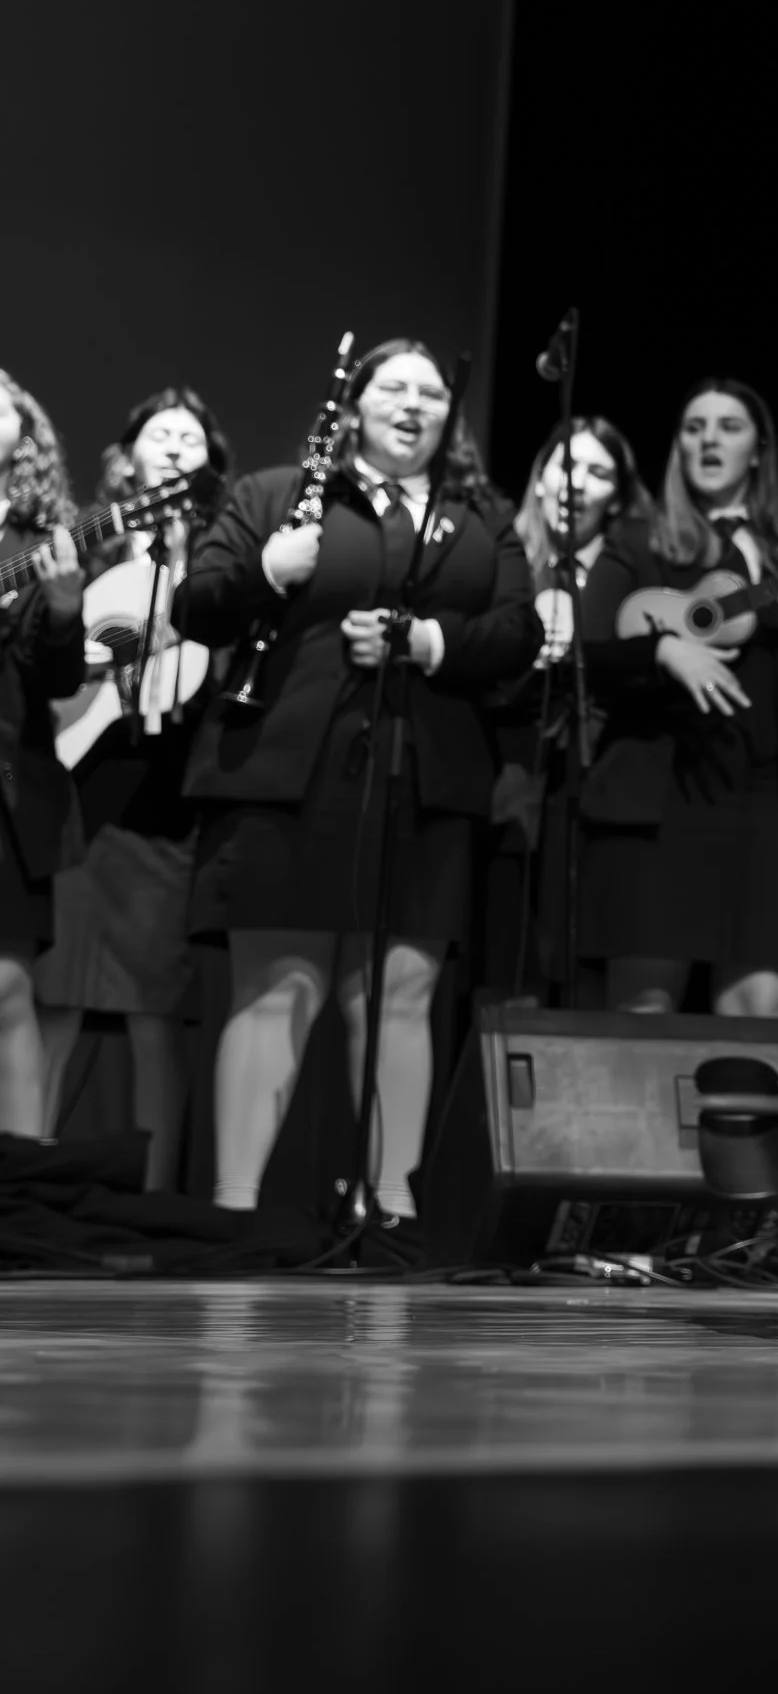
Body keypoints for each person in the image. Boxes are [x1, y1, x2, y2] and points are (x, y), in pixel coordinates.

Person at [180, 337, 533, 1245]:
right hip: (285, 773)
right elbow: (197, 603)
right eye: (393, 388)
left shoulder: (479, 518)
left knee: (399, 996)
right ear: (353, 406)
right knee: (279, 987)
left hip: (424, 775)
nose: (413, 405)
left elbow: (518, 631)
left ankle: (394, 1211)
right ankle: (234, 1213)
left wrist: (427, 643)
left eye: (430, 393)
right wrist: (268, 571)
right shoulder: (274, 495)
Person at [574, 380, 778, 1019]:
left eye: (729, 427)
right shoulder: (639, 539)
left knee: (758, 1022)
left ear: (759, 449)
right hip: (659, 799)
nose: (709, 440)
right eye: (694, 428)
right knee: (642, 1018)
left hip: (766, 801)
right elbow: (589, 649)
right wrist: (663, 650)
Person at [37, 387, 226, 1186]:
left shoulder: (222, 551)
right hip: (82, 794)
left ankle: (156, 1197)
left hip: (166, 805)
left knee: (155, 1010)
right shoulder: (89, 545)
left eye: (191, 437)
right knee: (55, 1002)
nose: (176, 446)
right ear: (128, 456)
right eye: (160, 433)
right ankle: (25, 1183)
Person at [484, 417, 652, 1000]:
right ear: (540, 477)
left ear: (618, 498)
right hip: (502, 803)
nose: (577, 484)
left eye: (598, 473)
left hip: (599, 805)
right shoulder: (499, 562)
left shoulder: (637, 573)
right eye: (567, 466)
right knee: (504, 977)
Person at [0, 367, 85, 1142]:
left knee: (5, 988)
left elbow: (56, 680)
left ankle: (18, 1186)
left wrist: (64, 611)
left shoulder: (37, 546)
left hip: (7, 791)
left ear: (22, 434)